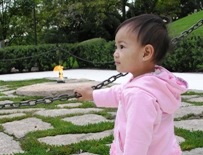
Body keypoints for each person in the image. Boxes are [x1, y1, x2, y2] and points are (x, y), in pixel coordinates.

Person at [74, 14, 188, 155]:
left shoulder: (140, 95)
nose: (115, 53)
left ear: (146, 53)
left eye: (122, 47)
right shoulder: (152, 82)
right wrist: (92, 94)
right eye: (116, 47)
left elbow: (137, 142)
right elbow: (119, 93)